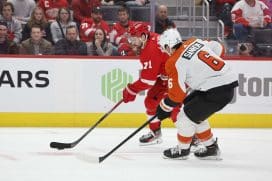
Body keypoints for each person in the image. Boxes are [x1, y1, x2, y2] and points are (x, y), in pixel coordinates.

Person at [155, 28, 238, 160]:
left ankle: (183, 150)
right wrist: (201, 71)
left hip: (216, 90)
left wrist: (163, 108)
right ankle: (211, 148)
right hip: (226, 84)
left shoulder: (173, 62)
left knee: (184, 117)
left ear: (168, 46)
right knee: (192, 108)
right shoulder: (194, 41)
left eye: (164, 48)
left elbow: (176, 95)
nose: (164, 51)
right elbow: (220, 48)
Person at [121, 22, 171, 145]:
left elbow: (148, 81)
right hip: (165, 77)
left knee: (173, 108)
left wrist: (131, 89)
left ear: (143, 36)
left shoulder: (150, 49)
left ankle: (195, 138)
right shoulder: (149, 39)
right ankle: (156, 133)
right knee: (150, 102)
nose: (131, 41)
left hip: (179, 76)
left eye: (133, 38)